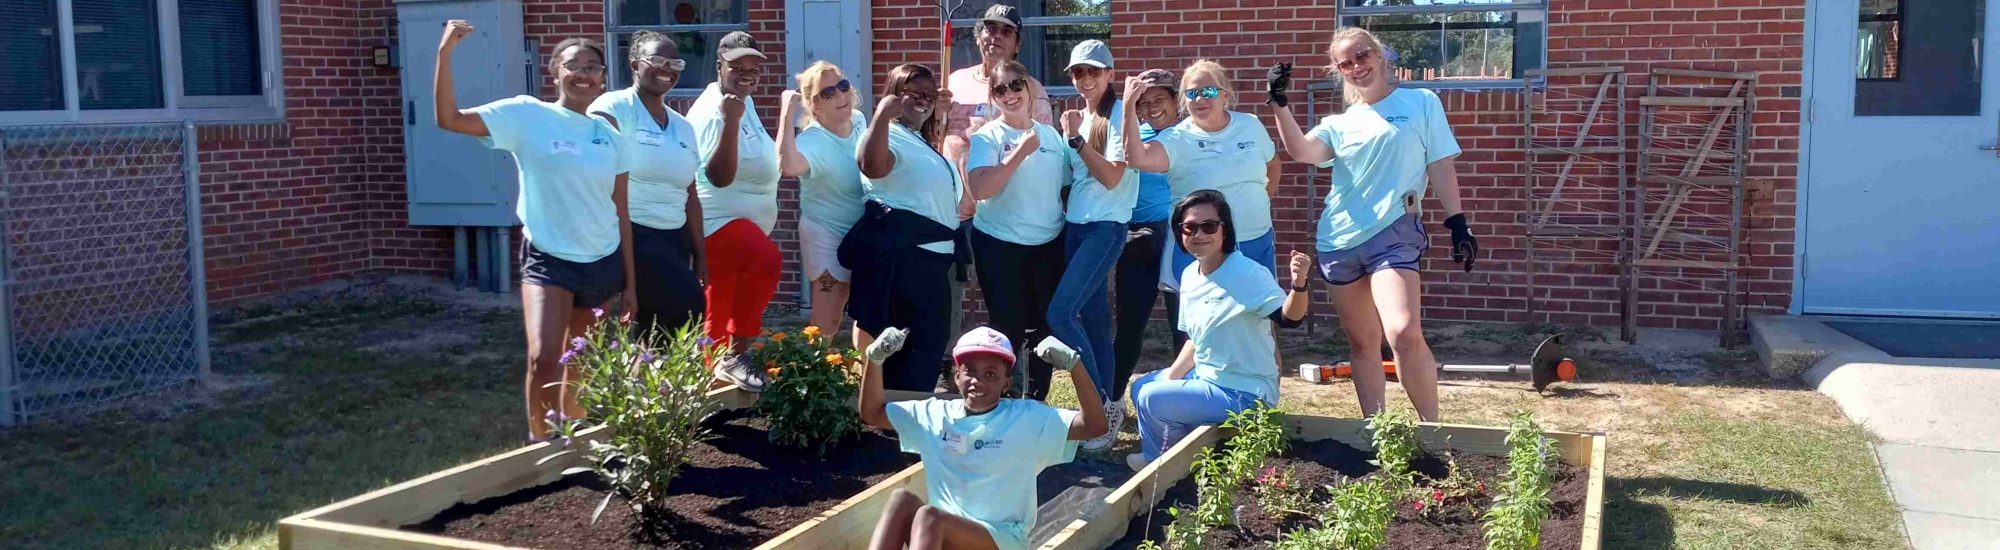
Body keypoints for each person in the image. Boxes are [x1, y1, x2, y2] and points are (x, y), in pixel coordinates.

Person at [432, 22, 633, 440]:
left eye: (593, 67)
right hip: (549, 258)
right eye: (573, 65)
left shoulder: (610, 137)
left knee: (581, 357)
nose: (584, 74)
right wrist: (444, 55)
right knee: (544, 356)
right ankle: (540, 446)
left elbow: (621, 210)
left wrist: (630, 281)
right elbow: (449, 120)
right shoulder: (527, 115)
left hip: (603, 260)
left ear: (602, 79)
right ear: (554, 71)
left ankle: (574, 437)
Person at [1265, 28, 1477, 422]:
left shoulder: (1421, 102)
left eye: (1362, 56)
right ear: (1339, 71)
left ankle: (1433, 432)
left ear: (1379, 56)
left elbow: (1441, 164)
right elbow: (1303, 151)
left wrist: (1458, 222)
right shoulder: (1339, 123)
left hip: (1395, 233)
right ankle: (1377, 433)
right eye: (1345, 63)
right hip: (1338, 241)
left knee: (1402, 331)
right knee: (1363, 343)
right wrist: (1280, 105)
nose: (1356, 67)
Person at [857, 326, 1107, 550]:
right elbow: (872, 413)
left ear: (1006, 383)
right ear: (956, 376)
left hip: (1000, 539)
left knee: (929, 517)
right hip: (940, 537)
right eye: (970, 372)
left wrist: (1075, 366)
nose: (977, 381)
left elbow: (1094, 426)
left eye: (991, 375)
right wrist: (874, 359)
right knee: (901, 500)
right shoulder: (933, 414)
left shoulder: (1027, 419)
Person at [1126, 190, 1313, 472]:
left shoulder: (1247, 272)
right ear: (1180, 233)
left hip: (1246, 392)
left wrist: (1299, 286)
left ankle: (1163, 469)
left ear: (1225, 230)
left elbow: (1289, 318)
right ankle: (1186, 454)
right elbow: (1194, 340)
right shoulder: (1189, 274)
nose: (1199, 234)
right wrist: (1171, 378)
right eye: (1189, 227)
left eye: (1209, 226)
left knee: (1153, 399)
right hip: (1207, 378)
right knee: (1142, 387)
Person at [942, 4, 1054, 377]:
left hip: (1006, 211)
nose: (996, 37)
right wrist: (935, 111)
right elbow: (936, 136)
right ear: (977, 37)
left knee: (1009, 304)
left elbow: (1043, 153)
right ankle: (947, 365)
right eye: (989, 29)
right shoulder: (953, 81)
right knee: (949, 292)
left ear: (1018, 43)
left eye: (1006, 31)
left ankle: (1012, 378)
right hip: (953, 206)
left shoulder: (1033, 90)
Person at [1044, 40, 1138, 451]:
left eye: (1093, 72)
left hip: (1105, 229)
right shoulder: (1079, 116)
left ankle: (1099, 403)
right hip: (1077, 228)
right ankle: (1111, 406)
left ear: (1110, 74)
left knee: (1060, 313)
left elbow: (1113, 178)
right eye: (1078, 73)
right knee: (1096, 321)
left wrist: (1075, 141)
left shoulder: (1117, 115)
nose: (1084, 79)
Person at [847, 64, 964, 392]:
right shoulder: (887, 132)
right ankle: (896, 420)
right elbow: (872, 166)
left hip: (932, 262)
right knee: (911, 347)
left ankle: (908, 416)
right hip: (904, 261)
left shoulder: (919, 140)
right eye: (914, 92)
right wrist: (883, 114)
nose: (923, 100)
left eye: (929, 93)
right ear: (895, 93)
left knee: (928, 344)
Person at [1120, 59, 1284, 289]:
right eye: (1192, 92)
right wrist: (1128, 106)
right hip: (1200, 245)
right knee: (1203, 319)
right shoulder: (1176, 137)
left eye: (1208, 91)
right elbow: (1136, 158)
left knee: (1260, 314)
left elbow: (1273, 165)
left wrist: (1261, 201)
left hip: (1254, 238)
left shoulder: (1251, 125)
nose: (1200, 99)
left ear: (1225, 95)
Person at [966, 59, 1072, 402]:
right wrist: (1019, 153)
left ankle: (1037, 402)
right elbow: (980, 189)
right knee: (1008, 327)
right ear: (993, 96)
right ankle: (1006, 400)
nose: (1009, 94)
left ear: (1029, 89)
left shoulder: (1053, 136)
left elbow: (1066, 188)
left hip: (1047, 243)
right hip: (1000, 244)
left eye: (1015, 85)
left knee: (1045, 327)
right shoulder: (988, 136)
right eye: (1000, 89)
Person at [588, 30, 705, 337]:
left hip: (675, 237)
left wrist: (701, 254)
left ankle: (652, 381)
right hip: (632, 232)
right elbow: (598, 165)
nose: (667, 68)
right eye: (656, 59)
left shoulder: (683, 126)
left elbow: (690, 193)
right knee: (688, 305)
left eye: (675, 62)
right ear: (634, 64)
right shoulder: (614, 107)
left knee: (657, 325)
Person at [688, 31, 782, 392]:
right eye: (737, 66)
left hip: (741, 222)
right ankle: (731, 358)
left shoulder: (741, 100)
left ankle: (709, 375)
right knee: (766, 261)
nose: (747, 73)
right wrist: (729, 119)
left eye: (753, 66)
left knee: (722, 298)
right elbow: (717, 176)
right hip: (716, 219)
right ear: (719, 66)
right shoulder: (717, 110)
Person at [1110, 68, 1183, 433]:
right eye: (1145, 102)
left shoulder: (1188, 134)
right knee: (1129, 325)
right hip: (1138, 234)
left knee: (1183, 326)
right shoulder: (1132, 133)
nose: (1153, 108)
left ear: (1175, 101)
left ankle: (1186, 405)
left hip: (1180, 236)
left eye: (1161, 100)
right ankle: (1113, 401)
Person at [777, 61, 868, 335]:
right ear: (813, 104)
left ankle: (865, 374)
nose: (841, 96)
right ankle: (814, 375)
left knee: (868, 314)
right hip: (827, 234)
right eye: (828, 93)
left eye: (842, 87)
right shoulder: (812, 140)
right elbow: (788, 167)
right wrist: (786, 113)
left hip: (863, 231)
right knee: (827, 320)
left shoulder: (860, 120)